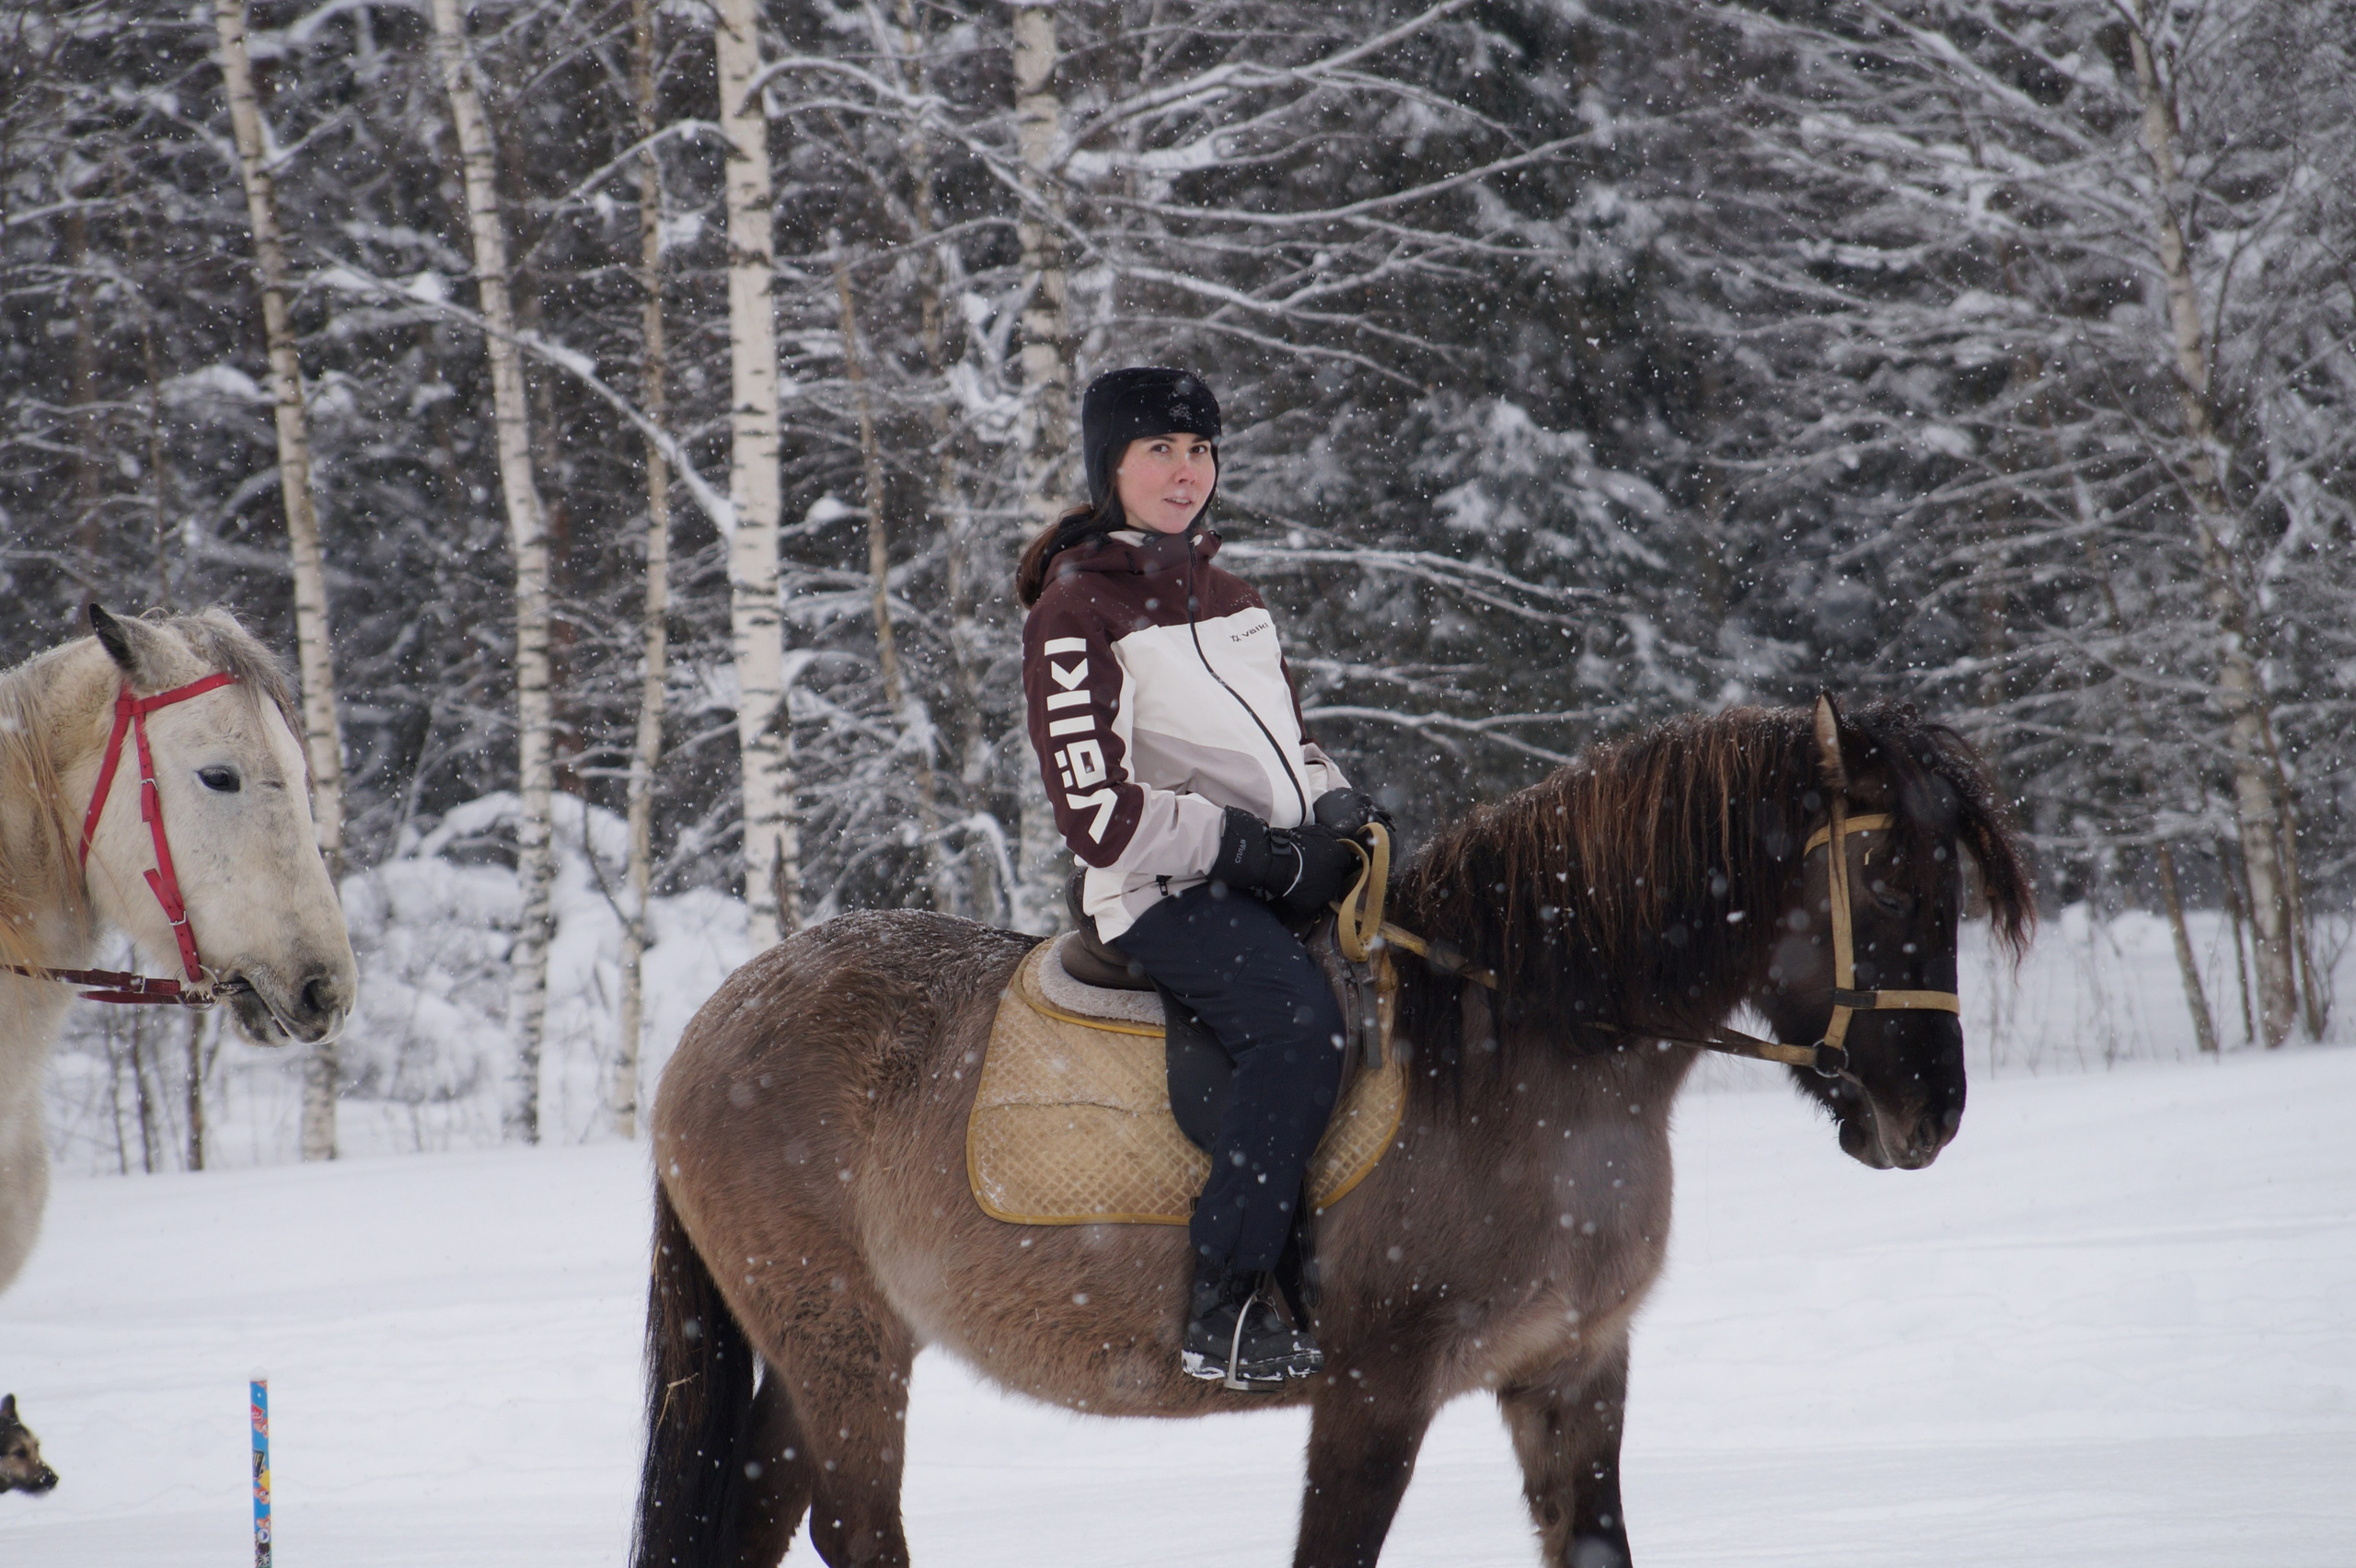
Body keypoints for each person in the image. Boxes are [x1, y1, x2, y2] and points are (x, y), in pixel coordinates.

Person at [1019, 366, 1387, 1388]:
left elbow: (1293, 748)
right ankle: (1227, 1302)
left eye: (1199, 450)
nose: (1186, 472)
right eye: (1158, 451)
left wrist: (1337, 808)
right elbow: (1097, 816)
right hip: (1161, 891)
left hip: (1274, 874)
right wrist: (1251, 851)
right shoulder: (1075, 612)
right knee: (1297, 1026)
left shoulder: (1233, 600)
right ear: (1110, 468)